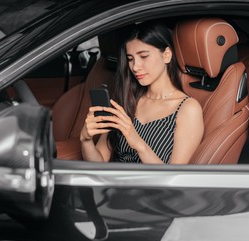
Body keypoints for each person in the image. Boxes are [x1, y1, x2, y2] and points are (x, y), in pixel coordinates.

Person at [80, 21, 204, 164]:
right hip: (113, 183)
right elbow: (99, 163)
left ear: (167, 55)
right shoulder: (126, 99)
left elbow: (175, 178)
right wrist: (86, 140)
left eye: (144, 56)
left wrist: (138, 144)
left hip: (150, 186)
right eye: (130, 59)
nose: (135, 67)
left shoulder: (188, 109)